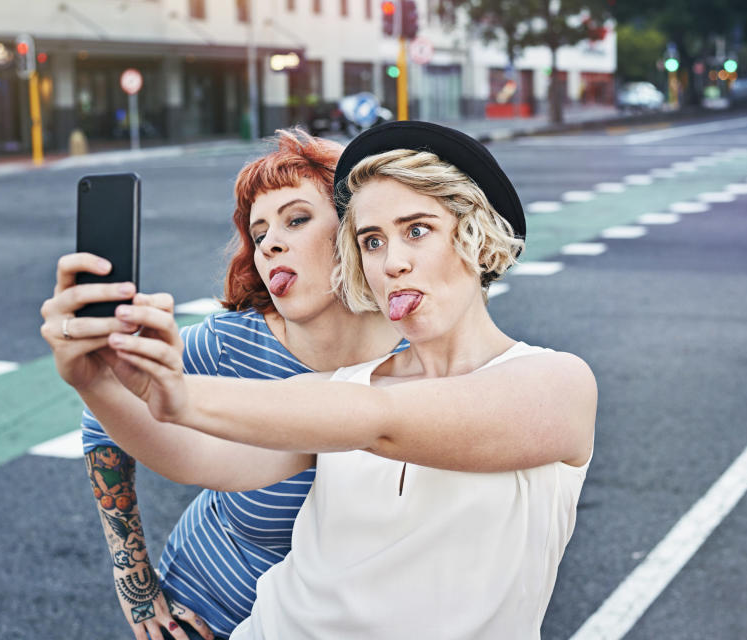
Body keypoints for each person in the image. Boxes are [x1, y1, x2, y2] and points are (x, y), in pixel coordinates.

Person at [57, 121, 597, 639]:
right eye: (372, 241)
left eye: (417, 231)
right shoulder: (345, 382)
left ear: (478, 239)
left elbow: (383, 421)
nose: (393, 264)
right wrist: (99, 385)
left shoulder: (557, 383)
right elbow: (197, 459)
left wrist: (176, 392)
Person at [41, 129, 404, 640]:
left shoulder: (418, 360)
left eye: (296, 219)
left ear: (355, 231)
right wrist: (135, 581)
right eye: (259, 234)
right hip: (204, 610)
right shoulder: (231, 342)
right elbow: (104, 418)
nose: (271, 242)